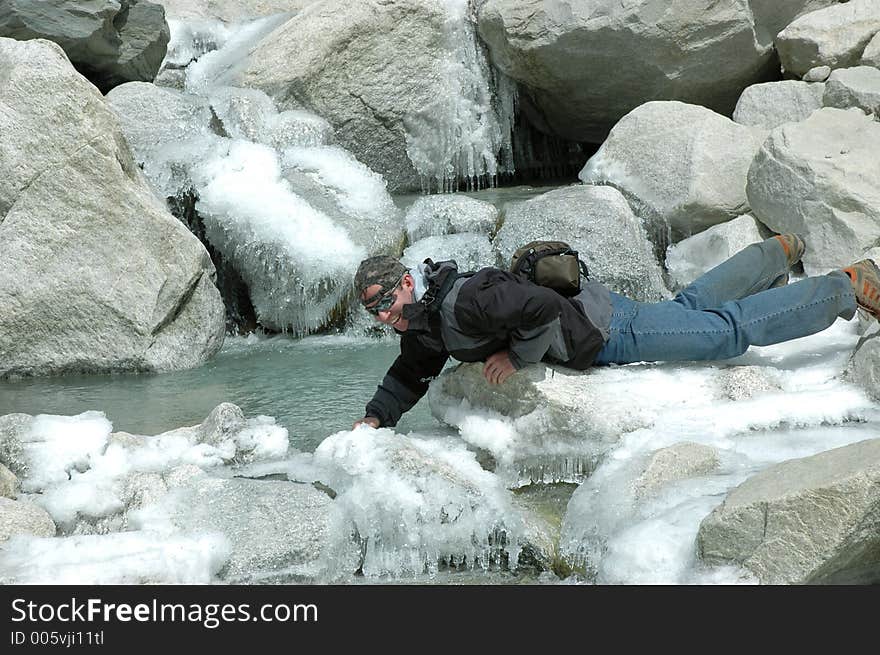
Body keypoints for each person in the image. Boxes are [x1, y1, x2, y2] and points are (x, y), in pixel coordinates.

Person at [352, 234, 880, 429]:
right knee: (687, 312)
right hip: (599, 316)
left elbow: (538, 307)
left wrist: (516, 359)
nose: (382, 315)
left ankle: (842, 288)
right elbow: (411, 372)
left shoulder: (466, 298)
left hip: (605, 328)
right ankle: (774, 253)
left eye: (384, 301)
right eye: (372, 311)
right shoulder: (421, 321)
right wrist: (376, 418)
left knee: (722, 335)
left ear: (405, 282)